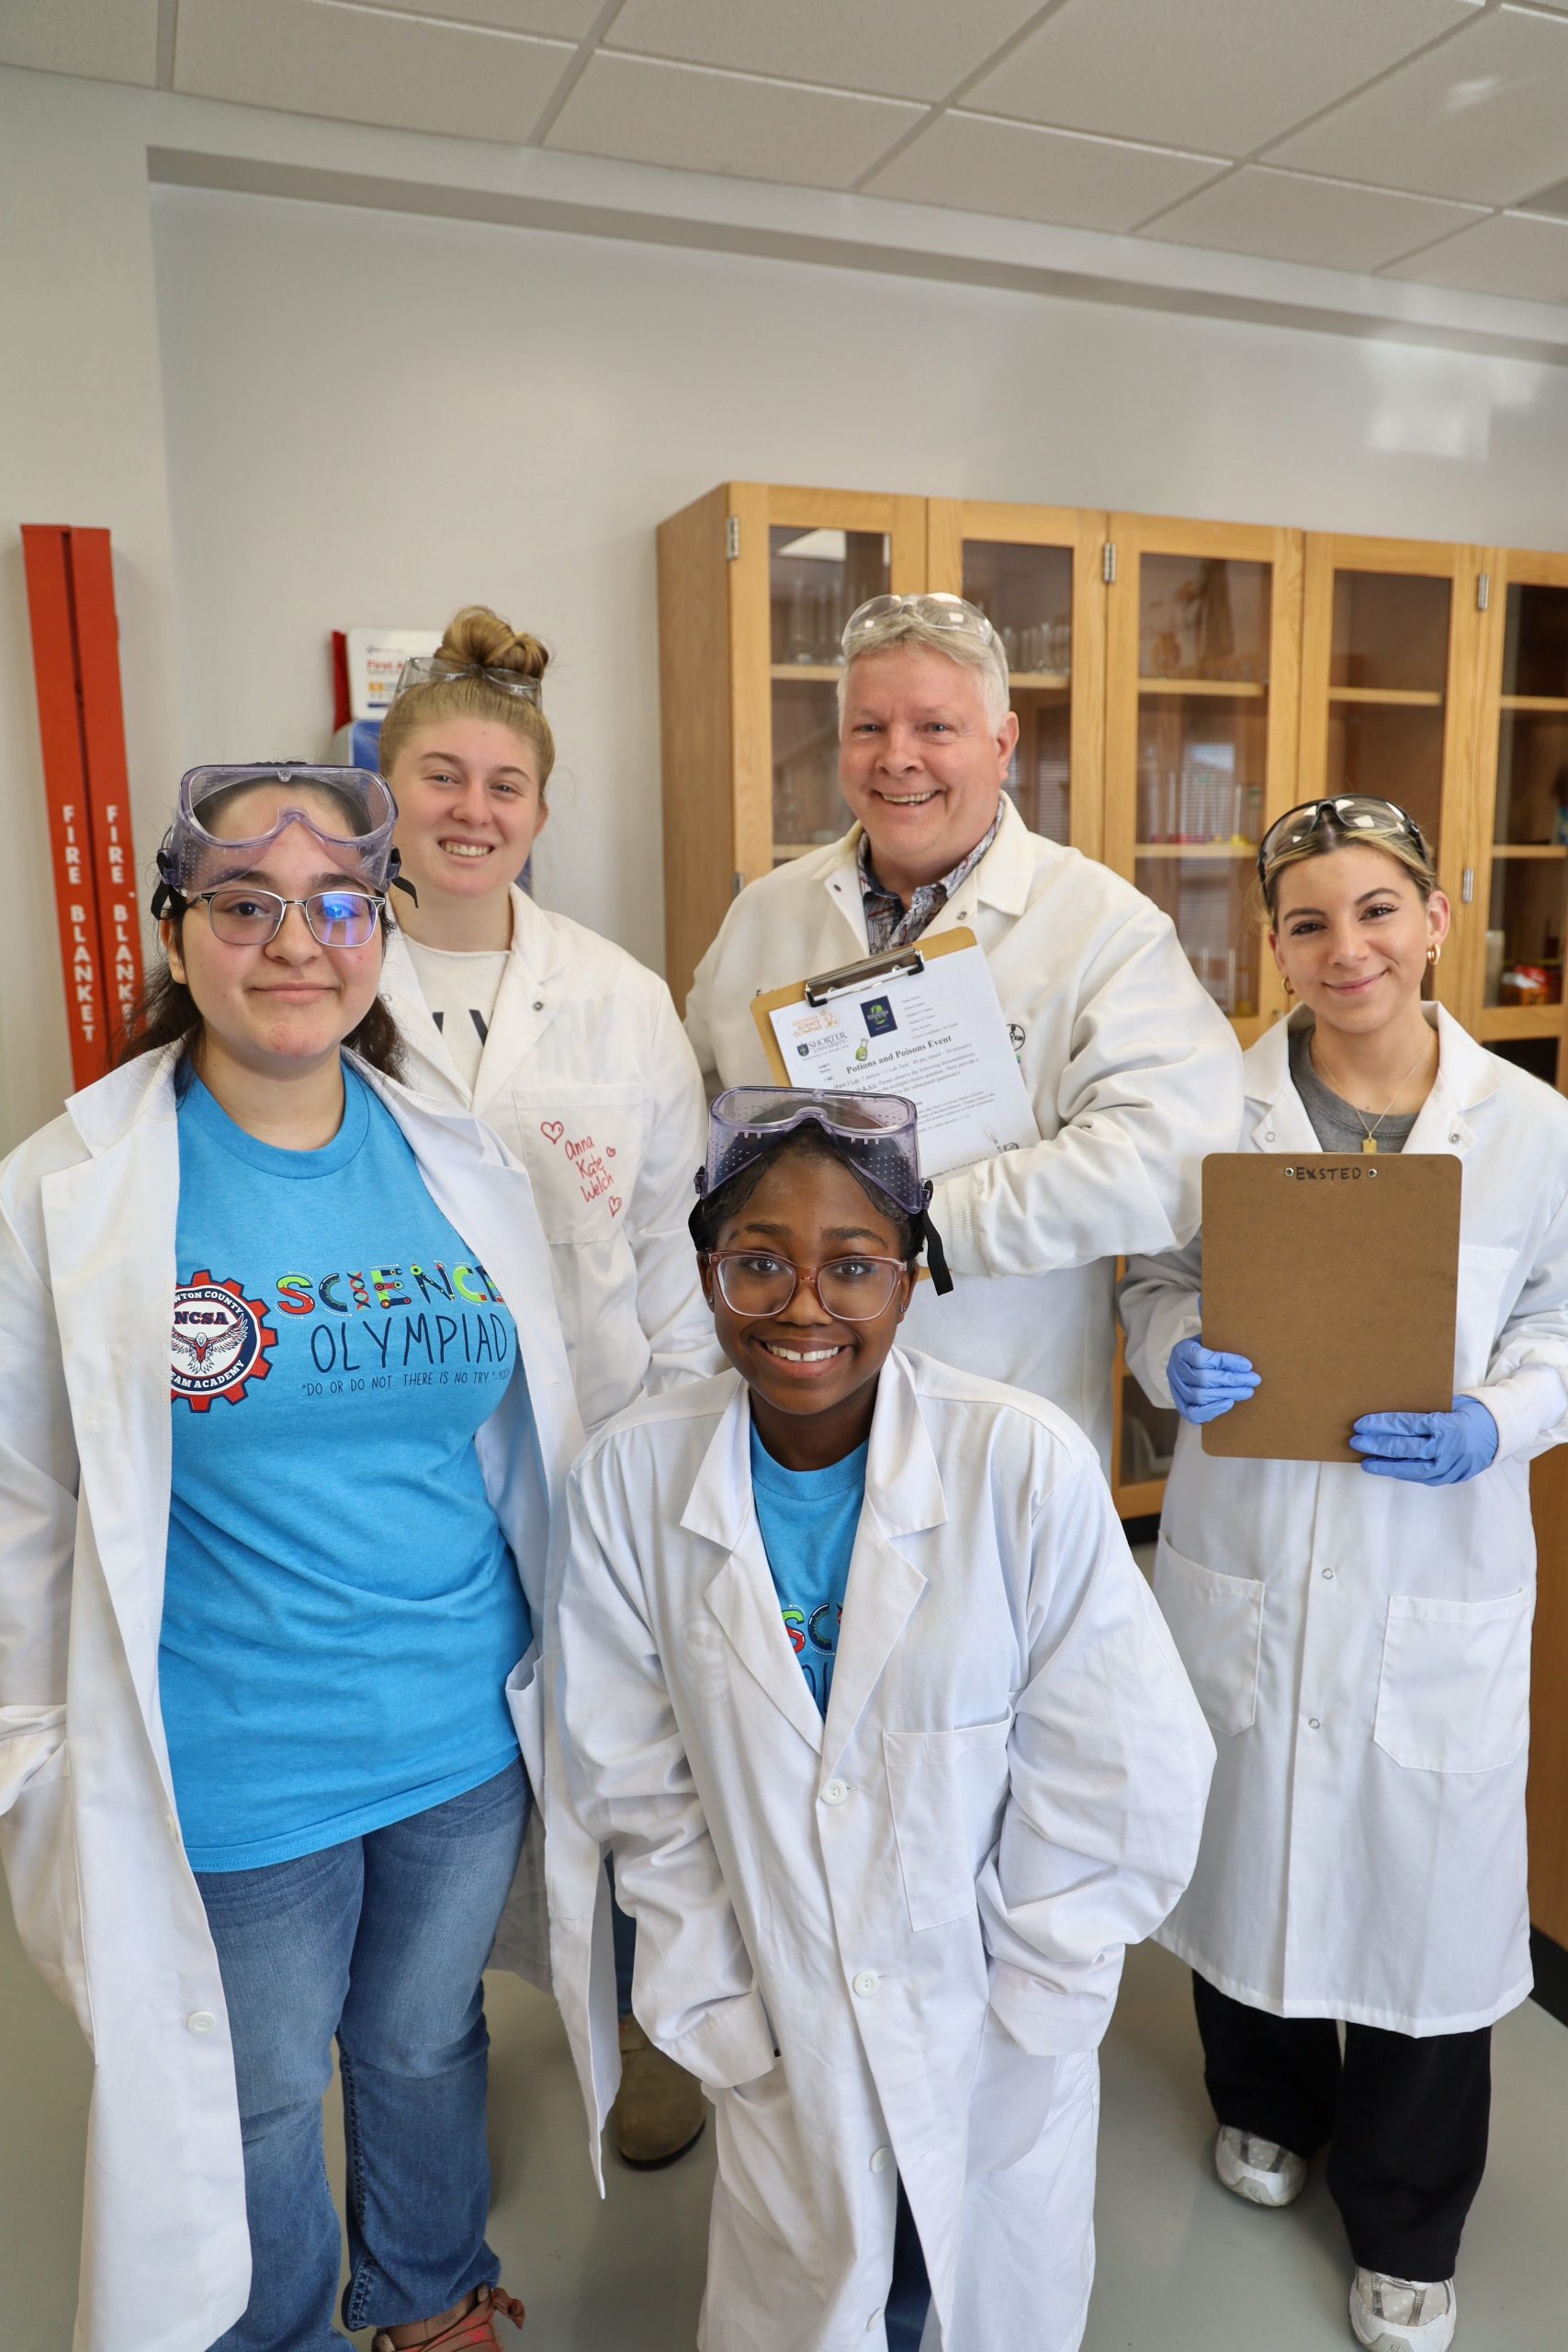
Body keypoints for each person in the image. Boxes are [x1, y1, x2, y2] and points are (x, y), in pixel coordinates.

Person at [0, 764, 586, 2352]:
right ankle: (276, 2334)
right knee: (253, 2091)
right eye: (245, 905)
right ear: (176, 933)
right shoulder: (70, 1193)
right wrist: (29, 1759)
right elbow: (19, 1506)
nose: (294, 942)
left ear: (378, 932)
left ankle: (426, 2286)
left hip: (465, 1732)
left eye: (335, 903)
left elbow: (519, 1437)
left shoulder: (454, 1158)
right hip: (233, 1755)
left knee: (420, 2040)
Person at [552, 1086, 1216, 2352]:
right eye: (759, 1263)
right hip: (775, 2008)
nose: (803, 1305)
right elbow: (628, 1777)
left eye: (851, 1266)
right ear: (707, 1274)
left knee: (977, 2291)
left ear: (908, 1284)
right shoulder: (632, 1476)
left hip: (992, 2017)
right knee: (822, 2294)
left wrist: (1033, 1998)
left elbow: (1115, 1765)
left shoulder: (1020, 1464)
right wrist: (715, 2006)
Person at [1118, 796, 1568, 2352]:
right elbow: (1156, 1281)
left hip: (1428, 1561)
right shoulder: (1208, 1111)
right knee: (1239, 1842)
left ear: (1435, 919)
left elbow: (1562, 1327)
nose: (1344, 947)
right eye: (1306, 921)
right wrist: (1175, 1352)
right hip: (1247, 1553)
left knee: (1426, 1903)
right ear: (1273, 944)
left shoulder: (1528, 1125)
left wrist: (1493, 1420)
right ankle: (1263, 2104)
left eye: (1375, 910)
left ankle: (1408, 2222)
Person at [377, 605, 718, 2165]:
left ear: (540, 811)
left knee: (634, 1769)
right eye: (438, 777)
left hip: (593, 1457)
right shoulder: (320, 978)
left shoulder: (618, 996)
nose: (469, 811)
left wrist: (676, 1459)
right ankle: (425, 2049)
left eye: (501, 786)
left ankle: (652, 2029)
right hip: (395, 1477)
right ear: (383, 791)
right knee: (439, 1801)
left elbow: (664, 1254)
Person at [683, 592, 1244, 1464]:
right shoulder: (764, 916)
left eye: (934, 728)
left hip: (999, 1404)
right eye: (867, 727)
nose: (896, 758)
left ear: (1003, 744)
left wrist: (920, 1225)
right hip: (786, 1392)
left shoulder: (1101, 927)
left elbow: (1165, 1156)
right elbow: (700, 1107)